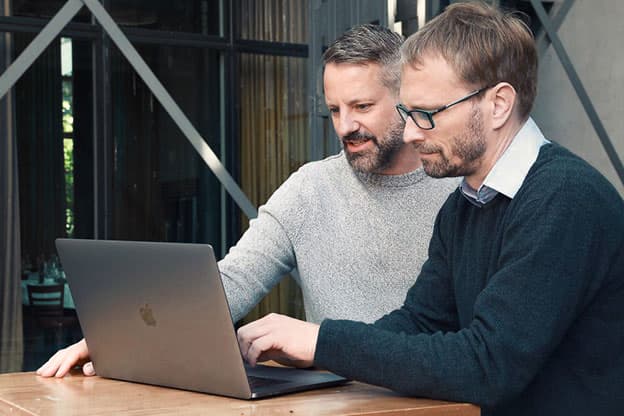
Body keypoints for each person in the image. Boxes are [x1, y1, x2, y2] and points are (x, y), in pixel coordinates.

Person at [236, 3, 624, 416]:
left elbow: (487, 365)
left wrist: (323, 343)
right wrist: (320, 350)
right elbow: (420, 321)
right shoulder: (465, 204)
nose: (410, 132)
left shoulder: (564, 198)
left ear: (498, 104)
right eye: (407, 112)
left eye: (426, 114)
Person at [37, 24, 459, 378]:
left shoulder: (457, 190)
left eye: (362, 106)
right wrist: (118, 337)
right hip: (331, 403)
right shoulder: (309, 189)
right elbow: (231, 280)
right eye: (333, 109)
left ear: (405, 100)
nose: (346, 125)